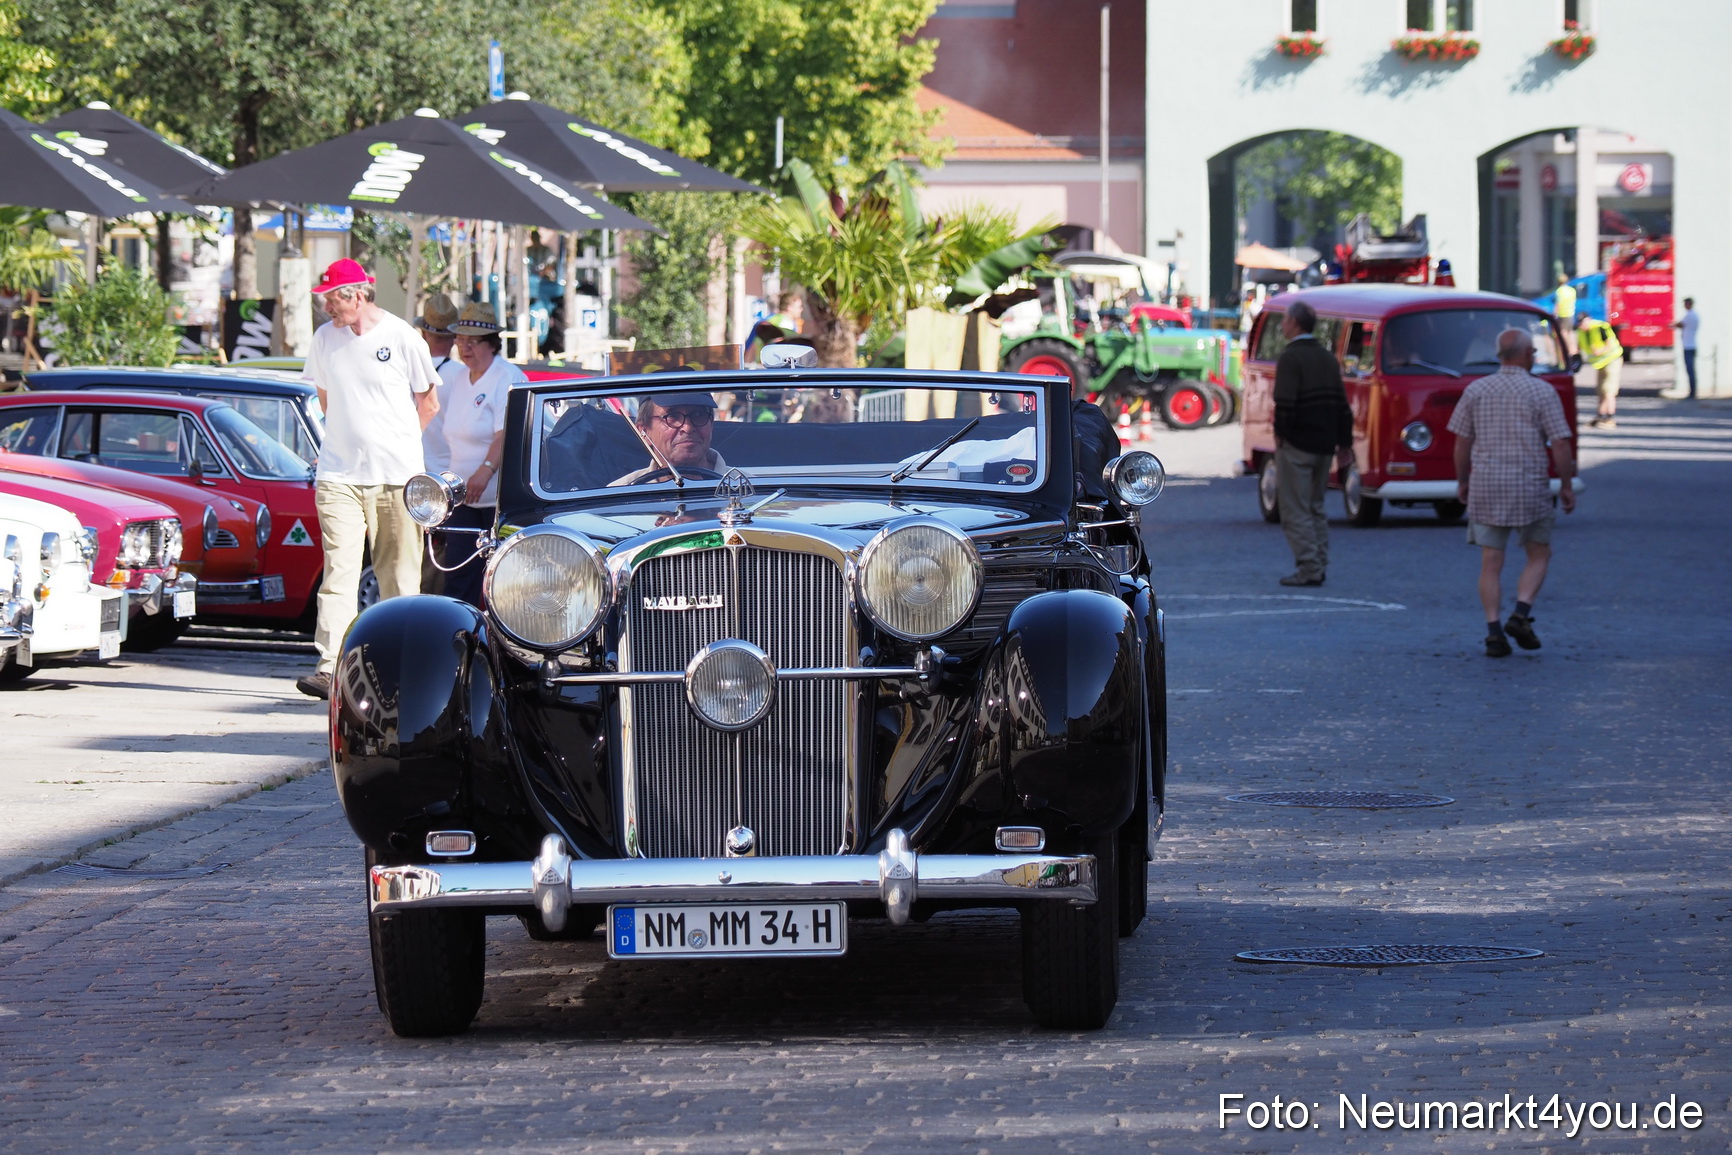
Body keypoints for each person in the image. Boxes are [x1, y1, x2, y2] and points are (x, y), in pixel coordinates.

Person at [295, 259, 440, 699]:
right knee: (338, 572)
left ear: (357, 295)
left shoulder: (402, 337)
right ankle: (331, 665)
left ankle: (401, 668)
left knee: (398, 576)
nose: (326, 309)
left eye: (331, 300)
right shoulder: (325, 339)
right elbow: (326, 400)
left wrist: (397, 444)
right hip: (338, 474)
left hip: (396, 476)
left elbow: (429, 403)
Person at [1447, 328, 1576, 659]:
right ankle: (1520, 612)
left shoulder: (1476, 390)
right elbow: (1560, 443)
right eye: (1533, 352)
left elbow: (1462, 442)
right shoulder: (1542, 391)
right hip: (1529, 484)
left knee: (1490, 561)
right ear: (1526, 355)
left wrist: (1463, 480)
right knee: (1539, 552)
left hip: (1486, 484)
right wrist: (1565, 484)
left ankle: (1493, 632)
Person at [424, 302, 523, 605]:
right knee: (458, 573)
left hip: (498, 499)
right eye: (460, 340)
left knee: (502, 579)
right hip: (462, 494)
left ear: (490, 343)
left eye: (473, 341)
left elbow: (506, 432)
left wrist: (486, 469)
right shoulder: (457, 379)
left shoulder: (506, 376)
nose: (464, 347)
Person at [1272, 299, 1353, 587]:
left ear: (1294, 323)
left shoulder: (1291, 357)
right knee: (1316, 506)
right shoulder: (1327, 357)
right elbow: (1343, 405)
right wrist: (1344, 443)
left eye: (1285, 320)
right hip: (1325, 443)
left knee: (1295, 508)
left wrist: (1281, 434)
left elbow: (1285, 403)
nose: (1283, 325)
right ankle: (1320, 562)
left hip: (1298, 442)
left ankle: (1309, 567)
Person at [610, 393, 727, 485]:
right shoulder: (617, 496)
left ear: (711, 424)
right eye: (672, 416)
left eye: (698, 415)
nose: (687, 428)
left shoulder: (738, 486)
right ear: (644, 432)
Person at [415, 293, 463, 471]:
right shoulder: (464, 376)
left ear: (424, 333)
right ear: (455, 336)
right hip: (452, 469)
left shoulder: (406, 371)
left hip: (410, 465)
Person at [1575, 313, 1623, 428]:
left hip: (1611, 360)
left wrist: (1600, 351)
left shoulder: (1599, 327)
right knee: (1601, 390)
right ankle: (1600, 416)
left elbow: (1610, 343)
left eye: (1583, 322)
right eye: (1579, 323)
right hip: (1600, 363)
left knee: (1609, 390)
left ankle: (1610, 418)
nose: (1581, 325)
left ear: (1588, 320)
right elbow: (1578, 347)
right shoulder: (1581, 332)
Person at [1673, 297, 1699, 399]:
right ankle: (1693, 391)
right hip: (1691, 345)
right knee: (1691, 370)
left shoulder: (1689, 315)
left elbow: (1680, 324)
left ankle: (1692, 392)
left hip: (1688, 346)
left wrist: (1672, 324)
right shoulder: (1695, 315)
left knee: (1690, 370)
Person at [1552, 271, 1577, 353]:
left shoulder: (1559, 291)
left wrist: (1555, 313)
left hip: (1562, 314)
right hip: (1571, 313)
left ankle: (1567, 347)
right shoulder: (1572, 290)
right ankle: (1574, 348)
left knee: (1563, 332)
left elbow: (1558, 304)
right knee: (1570, 331)